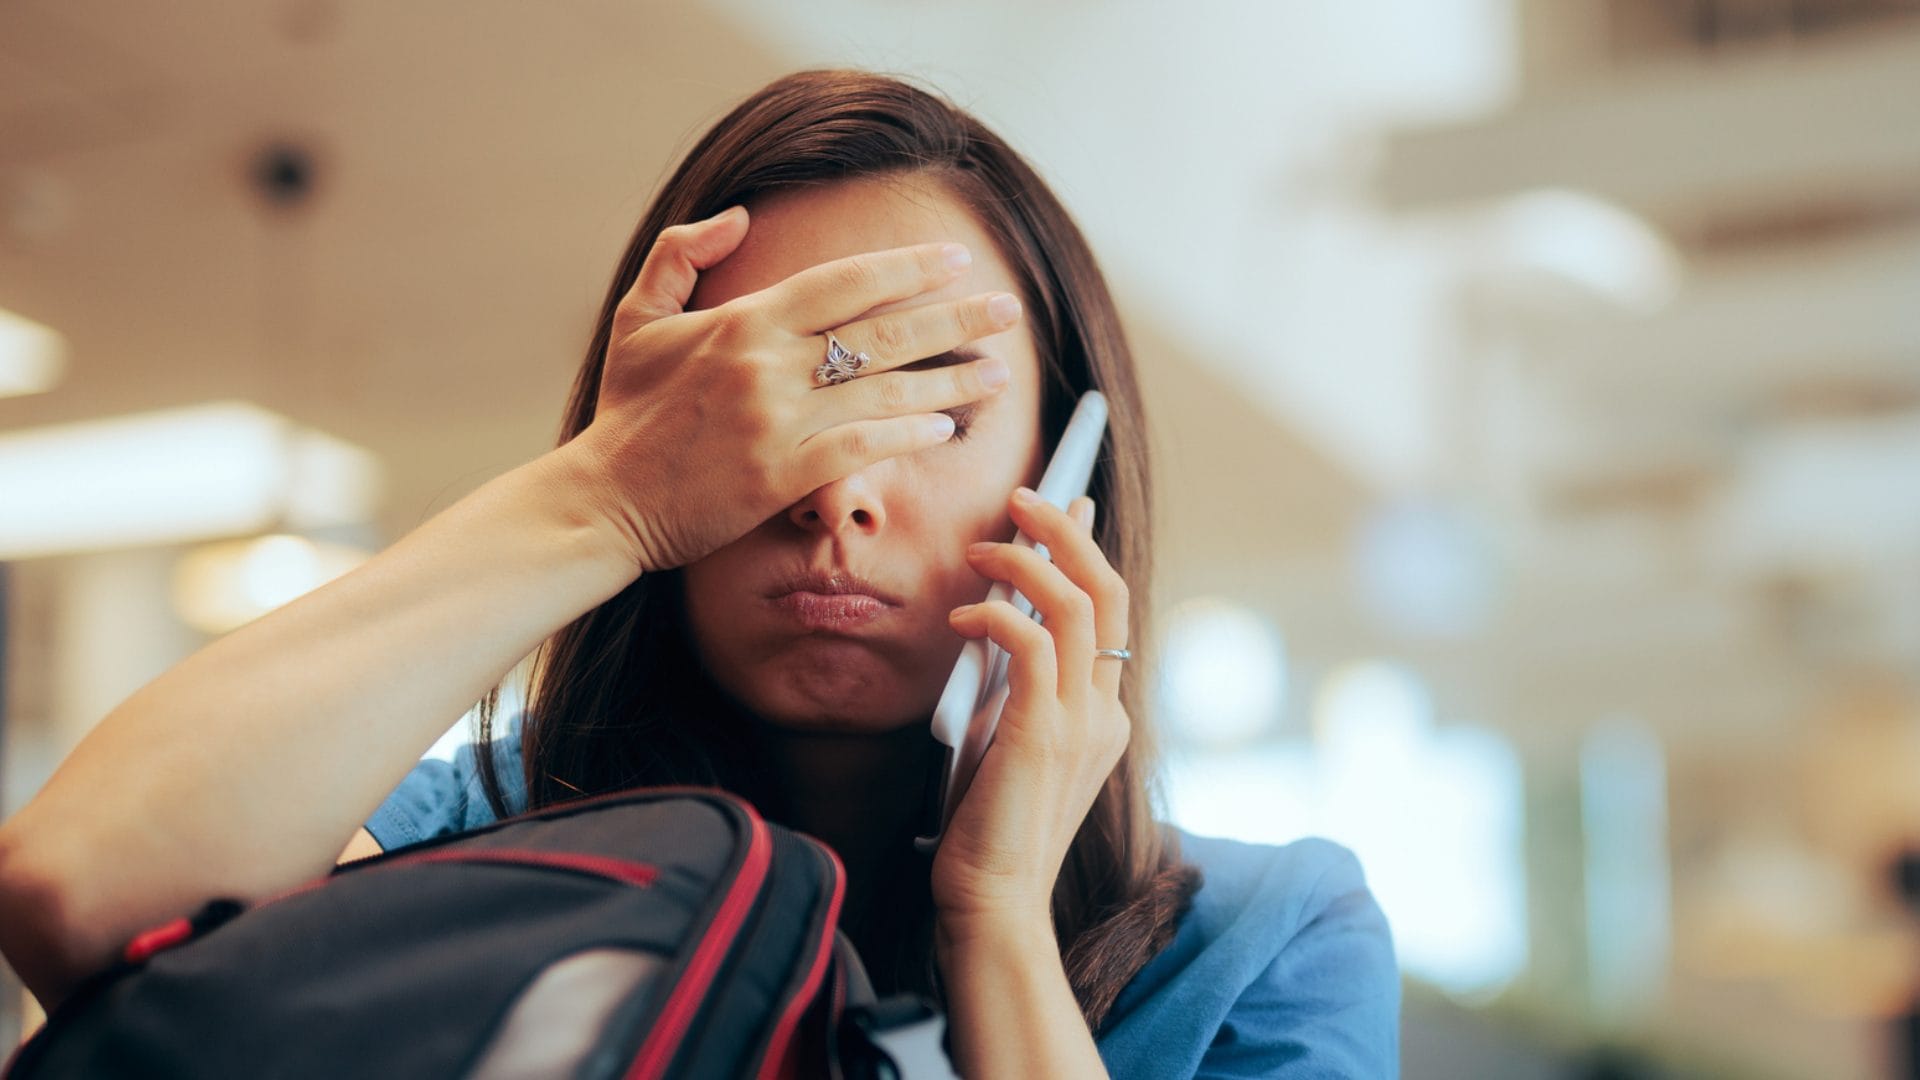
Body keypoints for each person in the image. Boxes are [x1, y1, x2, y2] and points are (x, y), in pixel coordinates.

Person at [0, 70, 1398, 1077]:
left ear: (1067, 475)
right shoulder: (460, 842)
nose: (838, 494)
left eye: (932, 411)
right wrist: (602, 497)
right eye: (766, 412)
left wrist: (999, 923)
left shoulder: (1269, 944)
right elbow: (78, 895)